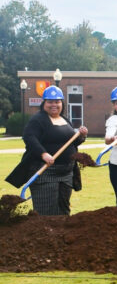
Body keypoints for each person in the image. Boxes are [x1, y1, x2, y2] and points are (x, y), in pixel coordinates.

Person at [17, 86, 88, 215]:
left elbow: (70, 143)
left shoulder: (64, 120)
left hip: (66, 173)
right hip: (46, 172)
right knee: (47, 211)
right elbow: (29, 137)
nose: (54, 105)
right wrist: (43, 154)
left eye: (57, 101)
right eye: (50, 102)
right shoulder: (38, 120)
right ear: (44, 103)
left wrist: (81, 135)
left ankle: (62, 234)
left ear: (62, 103)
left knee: (64, 208)